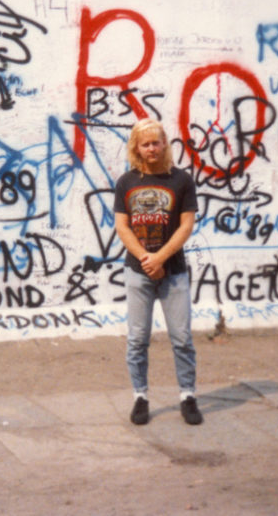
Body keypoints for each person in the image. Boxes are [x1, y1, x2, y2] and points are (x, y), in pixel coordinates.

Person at [113, 118, 202, 426]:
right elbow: (122, 226)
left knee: (181, 337)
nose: (152, 148)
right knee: (138, 338)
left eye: (156, 142)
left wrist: (161, 258)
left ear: (165, 144)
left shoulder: (181, 180)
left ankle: (187, 396)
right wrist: (145, 258)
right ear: (137, 148)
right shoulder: (126, 182)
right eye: (145, 143)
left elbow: (186, 225)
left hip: (174, 271)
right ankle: (140, 396)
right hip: (137, 273)